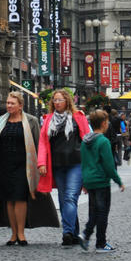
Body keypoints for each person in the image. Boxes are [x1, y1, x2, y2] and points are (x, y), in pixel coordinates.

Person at [0, 92, 58, 245]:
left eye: (12, 103)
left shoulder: (31, 121)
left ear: (20, 105)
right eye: (7, 103)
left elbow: (40, 143)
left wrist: (41, 164)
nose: (9, 106)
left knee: (20, 198)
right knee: (8, 200)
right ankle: (13, 234)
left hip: (24, 166)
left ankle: (21, 233)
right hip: (4, 166)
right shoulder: (1, 121)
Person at [38, 89, 90, 247]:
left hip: (76, 162)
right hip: (57, 164)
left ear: (67, 101)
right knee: (63, 199)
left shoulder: (77, 117)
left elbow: (87, 139)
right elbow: (42, 142)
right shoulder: (48, 120)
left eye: (60, 100)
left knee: (70, 197)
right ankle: (74, 234)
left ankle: (67, 232)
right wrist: (41, 163)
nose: (57, 103)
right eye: (55, 100)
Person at [79, 110, 124, 253]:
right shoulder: (103, 141)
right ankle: (100, 243)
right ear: (104, 123)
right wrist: (118, 180)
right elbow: (109, 165)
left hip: (89, 181)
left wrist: (84, 182)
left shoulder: (85, 141)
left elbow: (84, 163)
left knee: (94, 211)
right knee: (103, 212)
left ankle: (86, 235)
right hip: (101, 182)